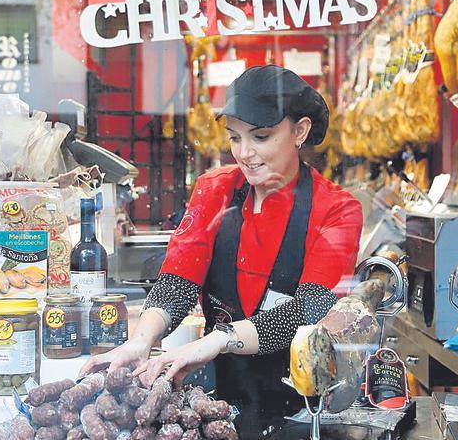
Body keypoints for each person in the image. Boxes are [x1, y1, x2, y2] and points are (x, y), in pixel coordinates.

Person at [80, 65, 363, 438]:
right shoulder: (215, 189)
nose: (244, 154)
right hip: (214, 397)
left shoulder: (336, 209)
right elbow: (178, 280)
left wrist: (216, 340)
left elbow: (309, 311)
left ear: (300, 131)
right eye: (234, 138)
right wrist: (142, 339)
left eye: (260, 137)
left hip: (300, 406)